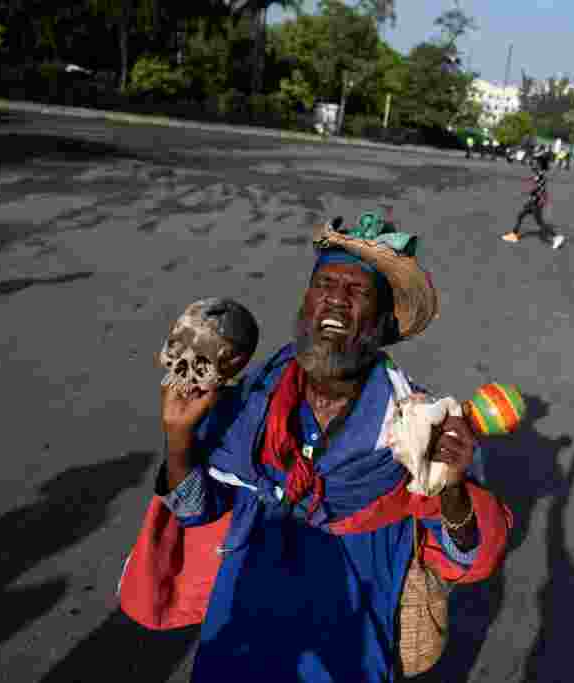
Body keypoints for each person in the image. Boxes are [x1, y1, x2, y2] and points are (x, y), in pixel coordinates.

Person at [145, 211, 513, 682]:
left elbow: (468, 559)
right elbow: (196, 510)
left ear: (381, 326)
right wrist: (178, 438)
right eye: (325, 285)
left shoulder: (420, 429)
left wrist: (453, 488)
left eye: (357, 292)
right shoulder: (250, 405)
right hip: (235, 650)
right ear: (305, 304)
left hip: (346, 662)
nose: (336, 302)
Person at [501, 153, 566, 249]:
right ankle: (513, 235)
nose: (533, 164)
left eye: (535, 163)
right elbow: (532, 169)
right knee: (521, 215)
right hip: (534, 201)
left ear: (539, 165)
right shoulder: (538, 173)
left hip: (536, 202)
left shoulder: (540, 175)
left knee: (539, 222)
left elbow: (537, 189)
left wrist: (527, 192)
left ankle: (556, 237)